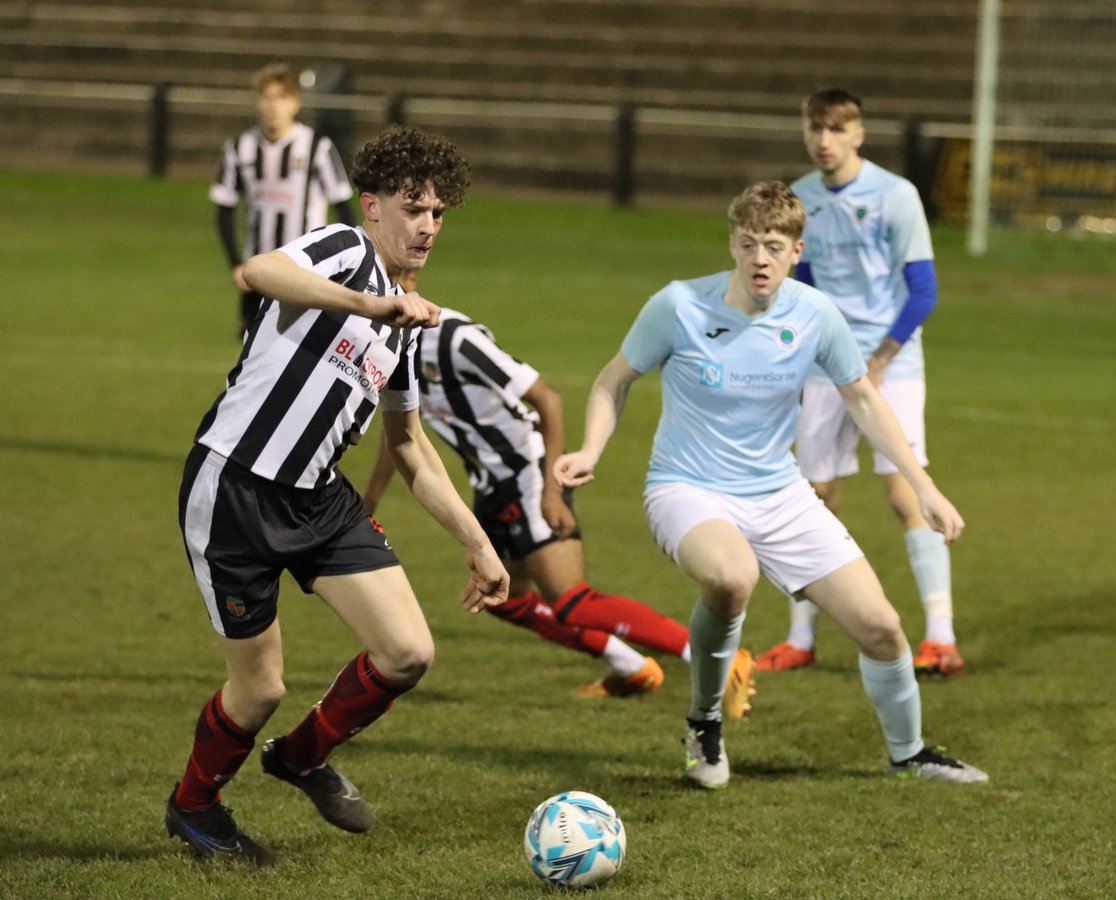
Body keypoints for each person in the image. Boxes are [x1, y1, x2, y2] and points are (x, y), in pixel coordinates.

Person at [555, 181, 987, 790]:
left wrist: (924, 487)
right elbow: (612, 381)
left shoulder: (814, 314)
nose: (761, 258)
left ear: (796, 251)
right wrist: (590, 448)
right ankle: (704, 723)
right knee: (733, 578)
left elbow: (863, 399)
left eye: (775, 246)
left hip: (780, 494)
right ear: (732, 243)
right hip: (687, 487)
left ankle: (908, 752)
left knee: (883, 628)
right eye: (750, 243)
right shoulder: (678, 306)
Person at [166, 126, 509, 865]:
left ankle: (300, 756)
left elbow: (411, 447)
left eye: (439, 213)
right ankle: (195, 807)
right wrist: (367, 304)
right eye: (413, 208)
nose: (426, 226)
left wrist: (478, 545)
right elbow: (258, 271)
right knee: (257, 690)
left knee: (408, 651)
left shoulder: (408, 319)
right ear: (373, 204)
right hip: (236, 488)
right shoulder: (345, 251)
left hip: (319, 499)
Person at [361, 307, 756, 710]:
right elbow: (401, 432)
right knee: (505, 597)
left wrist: (551, 491)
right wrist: (371, 500)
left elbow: (548, 399)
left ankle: (718, 658)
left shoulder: (453, 338)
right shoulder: (387, 345)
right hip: (491, 485)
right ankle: (631, 667)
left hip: (528, 474)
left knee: (571, 599)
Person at [756, 88, 964, 677]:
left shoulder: (896, 196)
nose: (824, 140)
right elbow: (809, 289)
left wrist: (880, 358)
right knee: (813, 498)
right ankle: (801, 637)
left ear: (859, 133)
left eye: (837, 128)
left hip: (892, 364)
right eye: (815, 128)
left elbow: (922, 290)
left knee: (905, 495)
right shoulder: (801, 199)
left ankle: (941, 636)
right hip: (825, 365)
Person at [210, 63, 357, 334]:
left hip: (308, 269)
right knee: (251, 354)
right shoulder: (239, 148)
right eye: (267, 97)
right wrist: (236, 264)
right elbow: (223, 210)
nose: (273, 106)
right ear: (257, 102)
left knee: (305, 352)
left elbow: (344, 210)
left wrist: (344, 265)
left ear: (296, 103)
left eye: (281, 98)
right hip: (258, 270)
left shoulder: (317, 148)